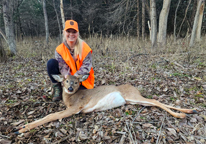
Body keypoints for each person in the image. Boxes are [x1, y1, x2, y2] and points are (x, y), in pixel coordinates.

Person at [47, 20, 95, 101]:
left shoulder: (85, 48)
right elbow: (62, 67)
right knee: (51, 63)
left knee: (79, 97)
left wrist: (75, 78)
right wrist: (67, 78)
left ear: (78, 33)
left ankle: (69, 89)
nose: (71, 34)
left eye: (74, 32)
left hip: (82, 80)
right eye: (68, 31)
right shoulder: (60, 49)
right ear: (64, 32)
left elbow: (86, 67)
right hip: (68, 79)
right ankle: (57, 89)